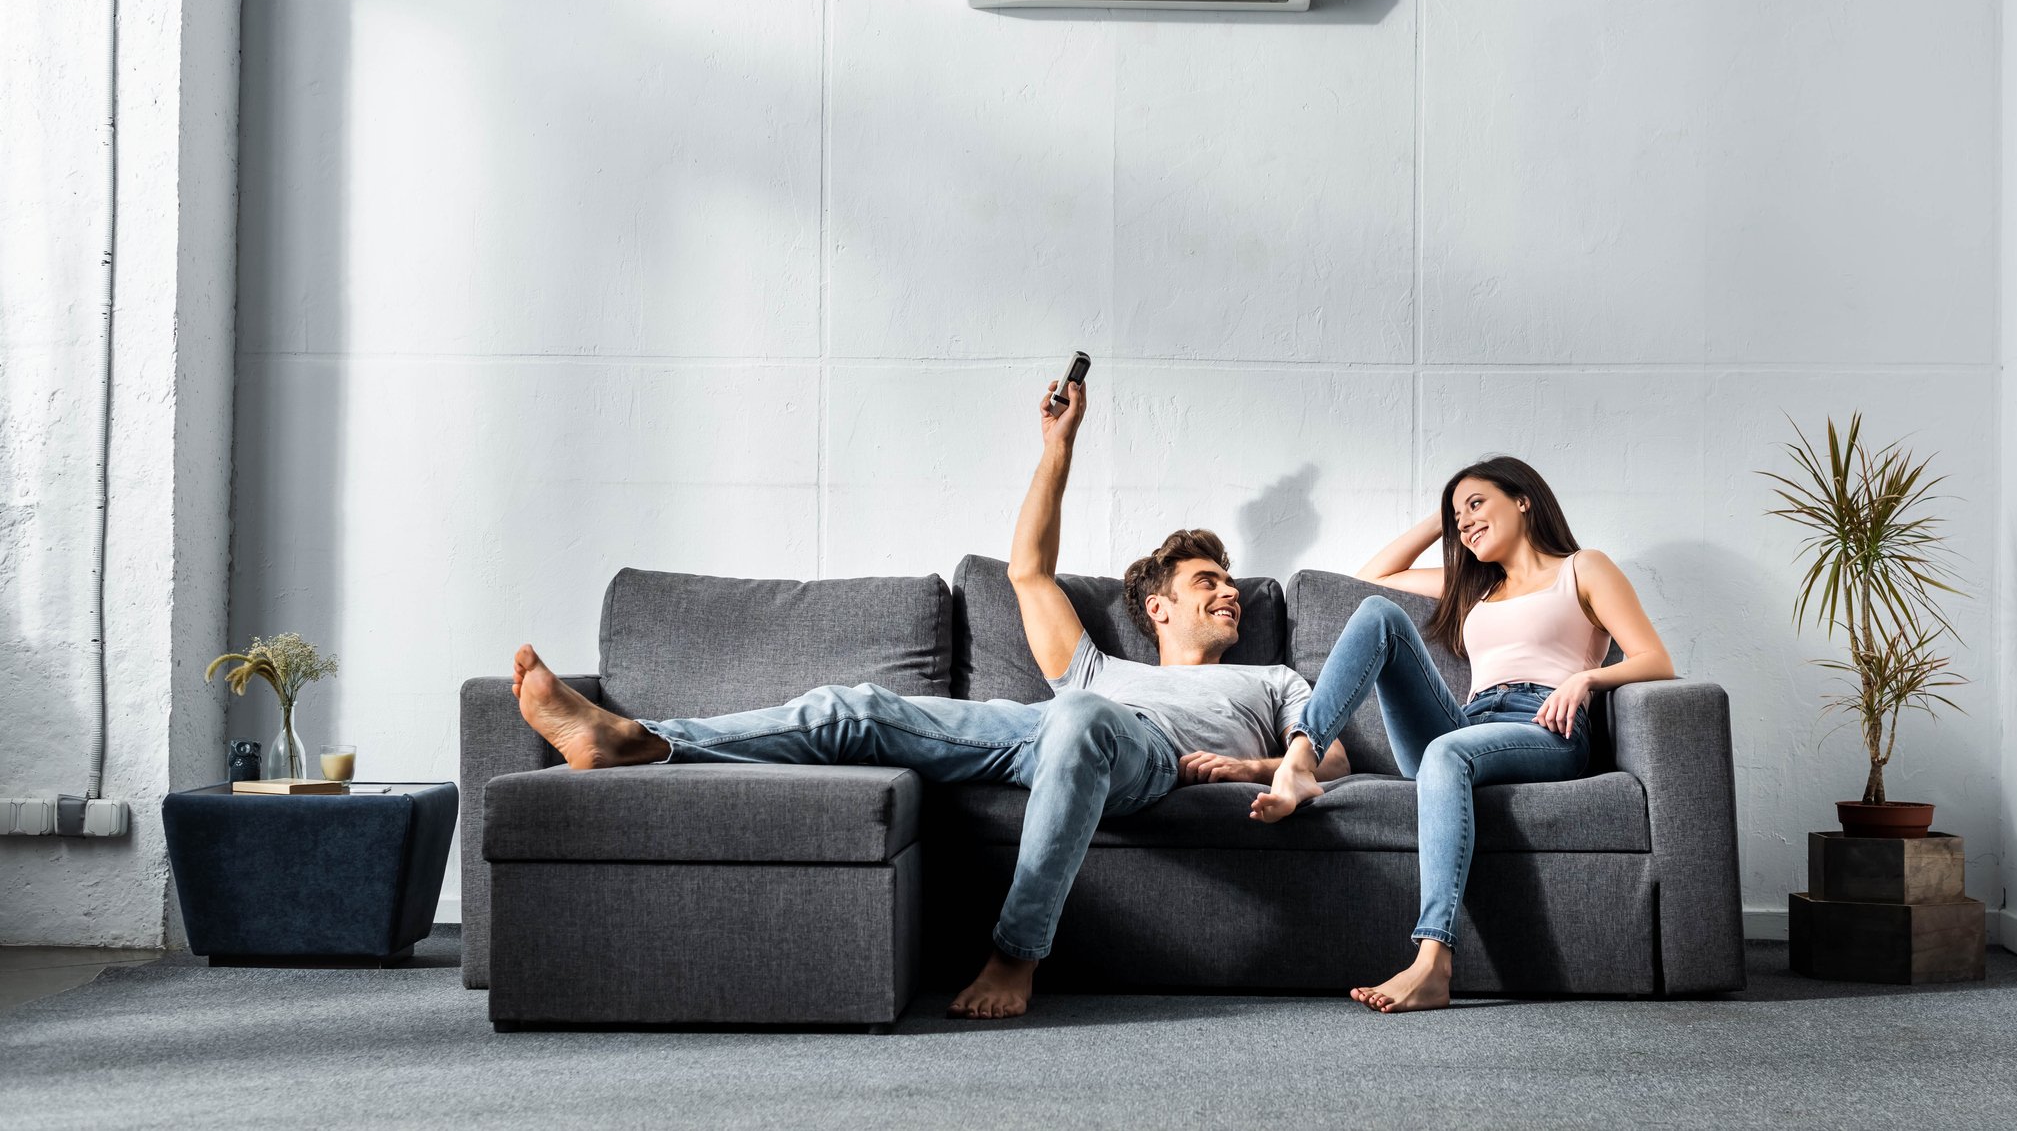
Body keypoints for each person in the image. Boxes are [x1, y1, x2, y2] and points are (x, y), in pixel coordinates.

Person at [506, 373, 1349, 1019]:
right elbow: (1027, 571)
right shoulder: (1096, 667)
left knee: (1083, 721)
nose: (1230, 592)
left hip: (1141, 754)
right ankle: (639, 742)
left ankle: (1018, 953)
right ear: (1157, 607)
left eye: (1234, 584)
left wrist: (1250, 764)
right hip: (1039, 726)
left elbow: (1335, 757)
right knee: (859, 706)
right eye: (1209, 580)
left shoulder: (1269, 677)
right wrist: (1058, 443)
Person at [1239, 456, 1676, 1013]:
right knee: (1378, 613)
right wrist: (1443, 521)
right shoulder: (1476, 586)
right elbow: (1369, 581)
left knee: (1445, 754)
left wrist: (1587, 678)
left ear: (1523, 499)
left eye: (1476, 505)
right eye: (1457, 517)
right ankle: (1299, 761)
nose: (1465, 523)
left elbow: (1656, 659)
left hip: (1543, 724)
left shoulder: (1582, 569)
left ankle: (1432, 961)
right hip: (1467, 723)